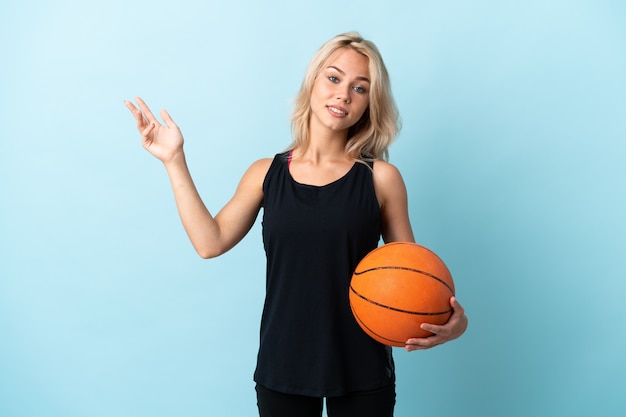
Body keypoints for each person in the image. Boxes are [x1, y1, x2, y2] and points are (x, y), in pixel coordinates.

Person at [125, 31, 468, 417]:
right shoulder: (264, 174)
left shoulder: (381, 179)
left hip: (363, 368)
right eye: (334, 78)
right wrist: (174, 160)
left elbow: (413, 277)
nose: (343, 95)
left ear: (370, 103)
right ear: (313, 82)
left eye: (360, 88)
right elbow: (210, 242)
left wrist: (453, 323)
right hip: (283, 364)